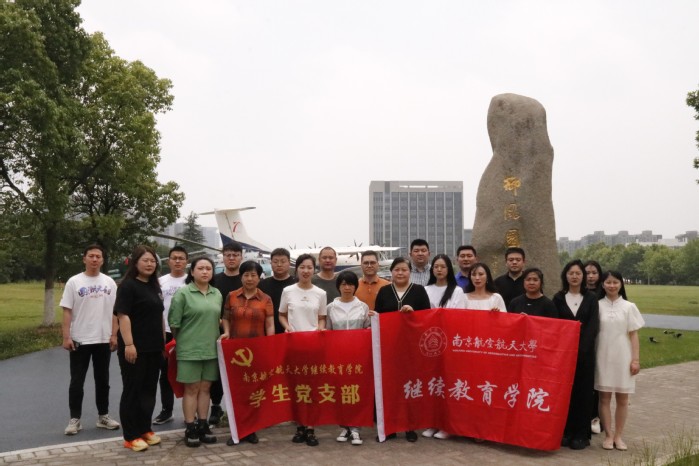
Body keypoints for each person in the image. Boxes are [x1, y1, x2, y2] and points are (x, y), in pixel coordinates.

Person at [60, 244, 120, 436]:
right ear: (84, 258)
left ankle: (103, 416)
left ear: (102, 260)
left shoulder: (110, 283)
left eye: (98, 256)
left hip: (103, 338)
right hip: (80, 338)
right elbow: (67, 311)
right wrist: (66, 336)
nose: (94, 259)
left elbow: (116, 312)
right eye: (91, 256)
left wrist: (114, 334)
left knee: (103, 380)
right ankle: (75, 419)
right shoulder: (74, 282)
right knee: (77, 381)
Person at [114, 245, 165, 452]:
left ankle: (145, 429)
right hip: (134, 348)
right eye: (145, 260)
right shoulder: (128, 286)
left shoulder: (154, 286)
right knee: (133, 390)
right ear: (135, 263)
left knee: (149, 390)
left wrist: (162, 344)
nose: (150, 264)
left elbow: (159, 317)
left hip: (154, 348)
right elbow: (123, 315)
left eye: (153, 261)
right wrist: (129, 344)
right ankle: (131, 435)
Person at [374, 257, 430, 443]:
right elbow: (378, 316)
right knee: (390, 388)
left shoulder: (419, 290)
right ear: (391, 272)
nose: (400, 273)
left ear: (409, 272)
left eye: (404, 270)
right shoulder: (384, 291)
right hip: (388, 348)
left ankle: (409, 426)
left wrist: (413, 313)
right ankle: (389, 427)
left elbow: (427, 318)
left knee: (410, 386)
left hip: (411, 348)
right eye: (397, 269)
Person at [168, 257, 222, 448]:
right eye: (200, 268)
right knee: (191, 389)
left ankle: (203, 424)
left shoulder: (217, 294)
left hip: (211, 350)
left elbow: (218, 320)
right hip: (189, 350)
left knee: (205, 388)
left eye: (208, 268)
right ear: (192, 272)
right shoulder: (183, 294)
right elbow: (174, 324)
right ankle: (190, 426)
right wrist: (185, 341)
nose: (205, 272)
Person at [221, 260, 274, 445]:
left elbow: (269, 324)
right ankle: (236, 430)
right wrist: (227, 332)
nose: (250, 278)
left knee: (254, 390)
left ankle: (251, 429)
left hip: (257, 352)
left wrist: (270, 345)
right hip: (236, 353)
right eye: (246, 275)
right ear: (241, 276)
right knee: (236, 391)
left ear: (259, 278)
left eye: (253, 275)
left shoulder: (266, 299)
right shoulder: (231, 296)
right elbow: (226, 318)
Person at [279, 254, 327, 447]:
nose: (306, 271)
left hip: (313, 347)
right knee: (296, 386)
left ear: (314, 270)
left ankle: (311, 427)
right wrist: (287, 327)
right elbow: (282, 314)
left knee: (313, 387)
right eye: (302, 267)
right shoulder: (288, 291)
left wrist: (320, 329)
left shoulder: (320, 293)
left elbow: (322, 317)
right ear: (297, 269)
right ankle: (299, 426)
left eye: (309, 267)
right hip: (293, 346)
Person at [552, 260, 599, 450]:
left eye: (578, 273)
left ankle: (581, 434)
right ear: (565, 275)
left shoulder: (591, 298)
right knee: (565, 394)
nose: (574, 276)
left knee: (584, 394)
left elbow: (593, 326)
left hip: (585, 356)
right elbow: (555, 326)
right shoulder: (558, 298)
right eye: (571, 273)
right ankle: (566, 431)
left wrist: (581, 350)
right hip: (563, 356)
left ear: (583, 276)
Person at [595, 271, 644, 451]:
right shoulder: (596, 305)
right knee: (604, 398)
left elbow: (634, 335)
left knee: (623, 399)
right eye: (608, 282)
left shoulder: (629, 307)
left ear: (621, 284)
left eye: (615, 282)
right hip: (602, 355)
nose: (612, 285)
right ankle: (608, 435)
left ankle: (618, 436)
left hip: (623, 356)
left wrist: (635, 360)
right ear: (603, 284)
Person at [326, 270, 373, 446]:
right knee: (340, 391)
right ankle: (344, 427)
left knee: (356, 391)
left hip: (358, 356)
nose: (347, 287)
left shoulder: (363, 307)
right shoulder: (331, 307)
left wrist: (375, 321)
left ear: (355, 287)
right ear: (338, 286)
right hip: (338, 357)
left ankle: (356, 428)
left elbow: (368, 329)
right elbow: (328, 331)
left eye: (351, 284)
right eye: (344, 284)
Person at [422, 254, 465, 440]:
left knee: (447, 383)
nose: (439, 270)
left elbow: (459, 316)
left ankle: (446, 425)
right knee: (432, 383)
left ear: (449, 269)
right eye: (436, 266)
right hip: (430, 342)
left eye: (443, 266)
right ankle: (431, 422)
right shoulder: (426, 290)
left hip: (449, 342)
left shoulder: (457, 291)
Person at [209, 241, 243, 426]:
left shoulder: (247, 279)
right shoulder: (215, 280)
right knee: (217, 372)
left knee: (240, 372)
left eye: (235, 255)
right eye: (228, 255)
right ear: (222, 257)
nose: (231, 258)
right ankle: (216, 406)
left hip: (243, 334)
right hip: (218, 333)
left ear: (241, 257)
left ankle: (240, 408)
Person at [153, 245, 188, 425]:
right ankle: (167, 410)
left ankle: (191, 413)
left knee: (189, 374)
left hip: (187, 333)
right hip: (165, 332)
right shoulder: (160, 282)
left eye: (181, 258)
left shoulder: (191, 281)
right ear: (168, 261)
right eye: (174, 258)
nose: (178, 261)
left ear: (187, 262)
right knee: (165, 373)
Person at [583, 260, 604, 434]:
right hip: (585, 342)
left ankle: (597, 417)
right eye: (587, 273)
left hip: (602, 341)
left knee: (600, 382)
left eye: (594, 273)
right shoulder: (578, 293)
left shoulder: (604, 294)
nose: (590, 276)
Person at [258, 247, 296, 335]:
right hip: (267, 332)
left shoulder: (297, 283)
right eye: (275, 262)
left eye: (283, 261)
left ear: (289, 263)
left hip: (292, 331)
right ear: (270, 263)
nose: (279, 265)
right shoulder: (261, 285)